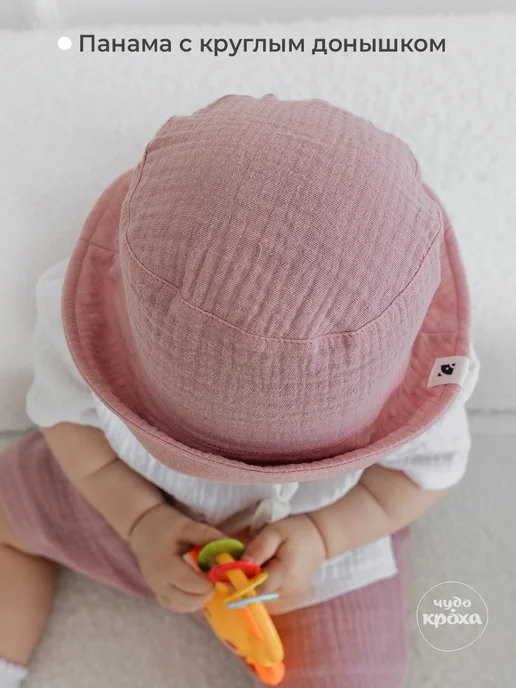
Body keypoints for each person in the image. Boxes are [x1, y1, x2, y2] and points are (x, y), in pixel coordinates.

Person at [0, 94, 479, 687]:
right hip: (132, 495)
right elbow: (70, 424)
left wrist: (325, 535)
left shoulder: (426, 377)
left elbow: (416, 478)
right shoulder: (85, 321)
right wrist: (141, 520)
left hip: (312, 548)